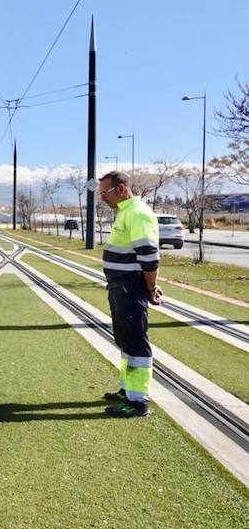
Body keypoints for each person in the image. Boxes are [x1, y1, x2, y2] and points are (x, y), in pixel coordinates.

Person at [97, 171, 162, 417]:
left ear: (121, 189)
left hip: (129, 286)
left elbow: (148, 257)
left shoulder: (137, 213)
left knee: (135, 342)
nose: (103, 197)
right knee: (124, 340)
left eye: (106, 192)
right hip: (120, 286)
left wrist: (151, 288)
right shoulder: (125, 211)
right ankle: (127, 390)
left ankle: (138, 402)